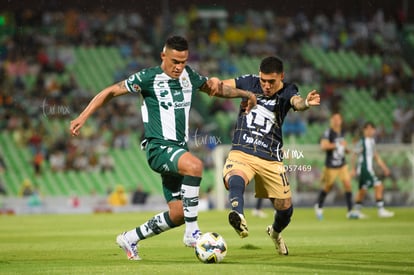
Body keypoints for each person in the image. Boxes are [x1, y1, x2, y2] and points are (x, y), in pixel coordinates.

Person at [70, 35, 257, 260]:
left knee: (178, 214)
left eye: (183, 61)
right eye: (174, 61)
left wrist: (246, 94)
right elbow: (111, 91)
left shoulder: (189, 76)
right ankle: (192, 233)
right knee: (195, 166)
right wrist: (83, 116)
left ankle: (130, 238)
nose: (179, 67)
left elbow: (216, 89)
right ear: (163, 56)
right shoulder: (148, 77)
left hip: (178, 150)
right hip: (158, 148)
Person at [222, 56, 320, 256]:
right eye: (263, 80)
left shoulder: (287, 91)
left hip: (271, 157)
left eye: (271, 82)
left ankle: (275, 233)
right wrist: (244, 93)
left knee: (285, 208)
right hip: (243, 149)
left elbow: (297, 102)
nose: (266, 86)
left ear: (281, 77)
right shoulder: (249, 82)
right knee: (236, 176)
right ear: (259, 75)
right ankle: (238, 214)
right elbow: (221, 86)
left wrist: (307, 104)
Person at [314, 113, 359, 220]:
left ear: (341, 120)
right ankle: (319, 207)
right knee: (328, 186)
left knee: (348, 184)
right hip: (331, 165)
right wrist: (337, 145)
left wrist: (346, 149)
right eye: (334, 119)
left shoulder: (342, 132)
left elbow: (343, 148)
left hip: (342, 164)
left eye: (338, 119)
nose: (336, 121)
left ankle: (350, 211)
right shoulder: (328, 132)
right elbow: (323, 146)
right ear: (331, 121)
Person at [351, 122, 394, 218]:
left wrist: (384, 168)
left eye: (371, 129)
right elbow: (354, 154)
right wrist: (353, 169)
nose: (370, 131)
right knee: (379, 185)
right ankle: (381, 210)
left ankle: (356, 212)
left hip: (367, 169)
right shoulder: (362, 141)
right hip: (364, 168)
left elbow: (376, 157)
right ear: (364, 130)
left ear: (374, 130)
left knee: (362, 190)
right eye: (367, 129)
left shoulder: (372, 142)